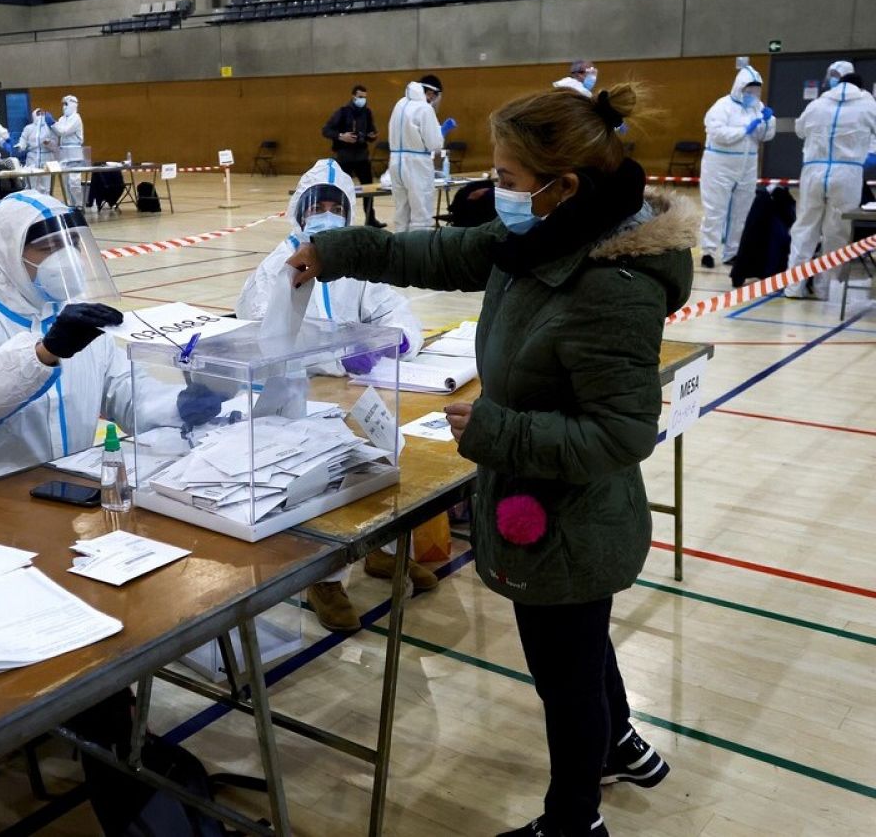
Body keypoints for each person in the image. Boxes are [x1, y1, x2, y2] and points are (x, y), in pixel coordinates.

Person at [289, 84, 688, 837]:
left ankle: (574, 823)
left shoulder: (611, 287)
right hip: (546, 503)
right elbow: (436, 250)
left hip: (571, 516)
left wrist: (500, 431)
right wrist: (336, 249)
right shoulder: (541, 240)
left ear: (561, 187)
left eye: (505, 179)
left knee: (564, 673)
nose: (488, 192)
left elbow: (622, 434)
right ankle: (622, 745)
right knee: (581, 642)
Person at [235, 158, 431, 632]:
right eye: (316, 204)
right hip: (295, 400)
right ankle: (324, 576)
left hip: (358, 395)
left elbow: (398, 313)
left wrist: (398, 339)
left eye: (334, 205)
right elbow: (269, 340)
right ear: (297, 210)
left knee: (385, 462)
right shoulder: (273, 268)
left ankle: (382, 551)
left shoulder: (355, 265)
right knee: (320, 483)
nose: (325, 212)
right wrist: (341, 356)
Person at [0, 190, 216, 495]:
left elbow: (123, 390)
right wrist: (43, 354)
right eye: (48, 247)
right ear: (9, 255)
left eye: (71, 244)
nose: (66, 258)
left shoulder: (79, 320)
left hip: (66, 487)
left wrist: (176, 403)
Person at [786, 63, 876, 300]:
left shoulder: (818, 104)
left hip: (813, 171)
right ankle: (825, 289)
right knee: (837, 231)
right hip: (847, 174)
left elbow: (800, 129)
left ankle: (793, 287)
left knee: (804, 229)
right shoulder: (868, 105)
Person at [699, 61, 775, 268]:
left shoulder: (757, 108)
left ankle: (732, 252)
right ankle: (708, 251)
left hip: (747, 165)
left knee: (742, 211)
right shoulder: (722, 106)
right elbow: (718, 133)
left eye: (756, 90)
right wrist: (744, 130)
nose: (753, 94)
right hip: (719, 165)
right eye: (749, 89)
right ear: (739, 87)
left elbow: (766, 136)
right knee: (715, 210)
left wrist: (768, 122)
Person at [388, 74, 454, 231]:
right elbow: (434, 144)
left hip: (395, 162)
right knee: (421, 215)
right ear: (431, 92)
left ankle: (400, 252)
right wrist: (441, 132)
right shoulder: (425, 108)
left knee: (401, 214)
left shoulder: (400, 104)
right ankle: (419, 253)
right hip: (416, 164)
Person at [322, 85, 384, 227]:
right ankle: (339, 219)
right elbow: (326, 130)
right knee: (342, 190)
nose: (362, 100)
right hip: (345, 157)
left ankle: (370, 219)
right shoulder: (343, 112)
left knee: (369, 189)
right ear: (353, 96)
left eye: (364, 97)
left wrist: (372, 136)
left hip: (362, 156)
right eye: (360, 97)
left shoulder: (367, 113)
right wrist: (341, 136)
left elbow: (371, 131)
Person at [52, 95, 86, 207]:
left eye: (66, 104)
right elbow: (57, 133)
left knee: (74, 181)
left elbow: (64, 131)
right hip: (63, 150)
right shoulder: (62, 119)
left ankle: (79, 204)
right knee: (65, 181)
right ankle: (70, 204)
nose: (63, 107)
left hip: (74, 150)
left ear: (72, 105)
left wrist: (52, 123)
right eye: (63, 104)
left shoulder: (76, 118)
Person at [17, 111, 59, 194]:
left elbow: (55, 145)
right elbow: (23, 138)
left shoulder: (50, 128)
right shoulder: (29, 128)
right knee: (31, 183)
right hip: (32, 157)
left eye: (42, 114)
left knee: (47, 184)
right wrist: (21, 146)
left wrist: (49, 143)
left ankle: (46, 201)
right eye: (38, 114)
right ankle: (31, 202)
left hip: (47, 158)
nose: (40, 116)